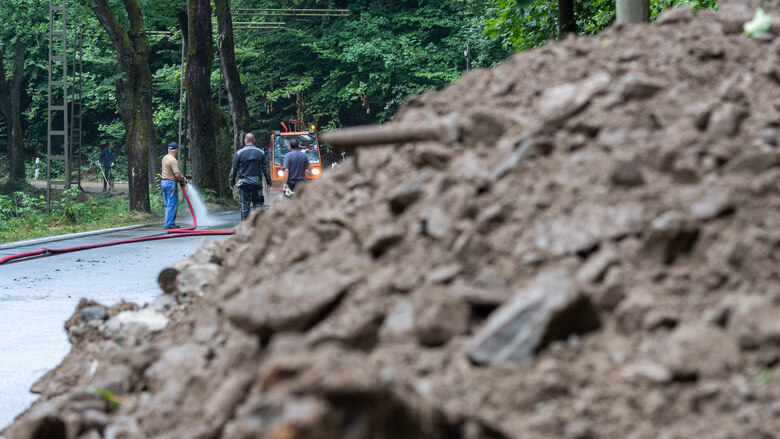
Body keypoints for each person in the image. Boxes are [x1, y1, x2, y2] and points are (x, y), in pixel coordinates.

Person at [229, 132, 271, 221]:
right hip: (257, 183)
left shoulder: (239, 153)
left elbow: (234, 169)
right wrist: (269, 181)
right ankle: (258, 223)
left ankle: (245, 224)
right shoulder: (261, 153)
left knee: (245, 205)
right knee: (258, 203)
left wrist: (231, 182)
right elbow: (265, 169)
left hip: (244, 183)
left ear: (245, 141)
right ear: (254, 141)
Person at [161, 142, 186, 229]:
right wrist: (182, 179)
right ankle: (169, 224)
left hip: (163, 182)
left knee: (167, 204)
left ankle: (167, 222)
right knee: (172, 203)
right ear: (175, 150)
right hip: (170, 183)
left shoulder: (165, 158)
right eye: (178, 149)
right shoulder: (173, 160)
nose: (178, 151)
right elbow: (177, 175)